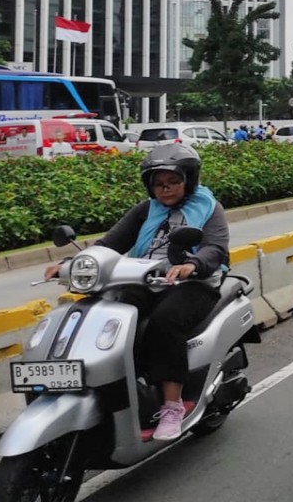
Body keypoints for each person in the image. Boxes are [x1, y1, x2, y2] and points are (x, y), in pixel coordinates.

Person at [44, 144, 229, 441]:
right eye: (158, 184)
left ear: (189, 180)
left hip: (193, 284)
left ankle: (172, 406)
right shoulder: (146, 210)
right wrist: (73, 263)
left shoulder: (209, 208)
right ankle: (123, 387)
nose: (165, 190)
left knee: (165, 322)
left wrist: (192, 264)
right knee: (108, 315)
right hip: (146, 280)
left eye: (173, 182)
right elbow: (110, 244)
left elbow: (215, 249)